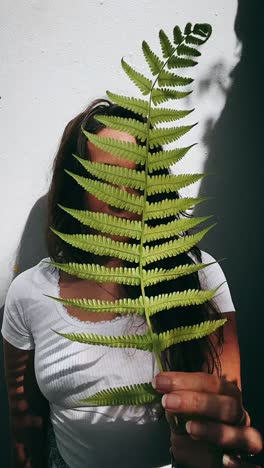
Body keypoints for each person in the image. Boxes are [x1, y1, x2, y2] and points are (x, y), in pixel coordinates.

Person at [2, 99, 263, 468]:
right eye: (108, 176)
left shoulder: (198, 275)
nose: (127, 191)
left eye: (139, 173)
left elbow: (227, 402)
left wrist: (219, 451)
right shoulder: (29, 292)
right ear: (76, 187)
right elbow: (24, 422)